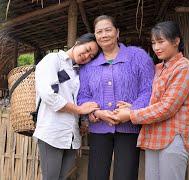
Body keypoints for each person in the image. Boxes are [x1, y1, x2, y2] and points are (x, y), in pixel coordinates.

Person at [114, 21, 189, 180]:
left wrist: (131, 114)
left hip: (172, 138)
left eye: (161, 41)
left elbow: (167, 108)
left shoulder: (184, 68)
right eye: (153, 43)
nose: (156, 47)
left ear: (176, 41)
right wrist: (133, 107)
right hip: (153, 136)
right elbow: (155, 101)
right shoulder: (158, 68)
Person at [77, 15, 155, 180]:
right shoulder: (88, 66)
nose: (104, 34)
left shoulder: (138, 56)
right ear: (95, 36)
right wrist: (98, 113)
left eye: (108, 30)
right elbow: (82, 96)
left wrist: (131, 111)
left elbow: (148, 89)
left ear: (117, 32)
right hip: (99, 129)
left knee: (125, 175)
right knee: (96, 175)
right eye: (99, 31)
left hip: (129, 128)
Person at [33, 33, 100, 180]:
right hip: (52, 131)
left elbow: (75, 99)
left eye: (91, 56)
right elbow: (48, 94)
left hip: (71, 136)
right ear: (78, 42)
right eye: (87, 49)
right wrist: (79, 110)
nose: (87, 56)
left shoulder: (78, 72)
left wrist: (82, 119)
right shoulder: (53, 60)